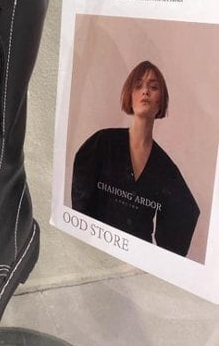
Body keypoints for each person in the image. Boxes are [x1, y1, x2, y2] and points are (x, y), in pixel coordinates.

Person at [71, 60, 200, 256]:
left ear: (160, 101)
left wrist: (162, 261)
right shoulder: (103, 143)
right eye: (138, 86)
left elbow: (185, 212)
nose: (145, 91)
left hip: (135, 260)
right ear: (129, 96)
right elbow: (81, 198)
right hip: (94, 252)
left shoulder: (165, 168)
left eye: (153, 87)